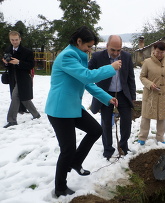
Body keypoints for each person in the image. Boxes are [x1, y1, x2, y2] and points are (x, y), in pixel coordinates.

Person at [45, 26, 122, 197]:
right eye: (88, 46)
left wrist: (106, 98)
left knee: (96, 130)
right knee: (68, 149)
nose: (90, 50)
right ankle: (60, 188)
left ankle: (75, 162)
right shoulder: (67, 57)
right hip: (59, 110)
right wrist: (111, 67)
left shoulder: (78, 56)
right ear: (78, 41)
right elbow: (87, 76)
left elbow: (86, 83)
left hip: (72, 107)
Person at [88, 35, 136, 160]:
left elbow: (131, 78)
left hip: (123, 94)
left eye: (118, 50)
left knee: (126, 122)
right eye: (113, 50)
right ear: (107, 46)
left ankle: (123, 146)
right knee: (106, 123)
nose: (116, 53)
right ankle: (108, 149)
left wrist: (132, 96)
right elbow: (87, 74)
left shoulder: (127, 57)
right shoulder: (97, 57)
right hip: (105, 94)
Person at [2, 31, 40, 128]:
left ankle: (12, 120)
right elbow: (6, 65)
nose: (14, 42)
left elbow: (31, 65)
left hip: (23, 78)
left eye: (16, 40)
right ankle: (36, 114)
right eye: (12, 40)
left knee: (15, 96)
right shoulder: (8, 49)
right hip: (12, 78)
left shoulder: (27, 52)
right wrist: (6, 63)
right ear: (10, 40)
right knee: (24, 98)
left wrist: (19, 62)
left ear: (20, 39)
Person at [137, 41, 165, 145]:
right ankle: (142, 137)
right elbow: (142, 77)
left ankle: (160, 137)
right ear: (154, 50)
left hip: (162, 94)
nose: (159, 54)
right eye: (157, 52)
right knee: (146, 116)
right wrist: (149, 84)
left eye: (162, 52)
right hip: (150, 94)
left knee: (162, 117)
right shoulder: (147, 62)